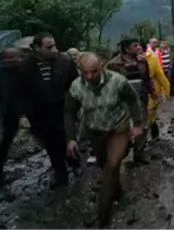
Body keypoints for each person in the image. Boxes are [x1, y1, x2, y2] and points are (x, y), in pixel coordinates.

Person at [64, 52, 143, 227]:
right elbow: (69, 113)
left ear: (101, 67)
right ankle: (118, 192)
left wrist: (137, 124)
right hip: (94, 131)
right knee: (103, 164)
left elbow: (133, 100)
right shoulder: (76, 87)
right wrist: (71, 139)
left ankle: (103, 214)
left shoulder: (117, 81)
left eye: (94, 71)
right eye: (85, 72)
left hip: (118, 129)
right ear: (79, 70)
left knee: (111, 166)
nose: (90, 76)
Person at [17, 32, 78, 189]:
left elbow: (76, 85)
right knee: (51, 144)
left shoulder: (65, 61)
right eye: (49, 47)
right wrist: (22, 114)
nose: (54, 49)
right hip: (39, 114)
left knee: (67, 138)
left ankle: (73, 161)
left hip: (63, 110)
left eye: (55, 45)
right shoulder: (24, 66)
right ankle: (60, 173)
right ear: (37, 48)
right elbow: (19, 92)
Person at [107, 37, 156, 165]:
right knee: (125, 127)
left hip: (141, 98)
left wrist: (153, 92)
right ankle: (125, 146)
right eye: (135, 45)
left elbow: (147, 79)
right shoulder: (113, 64)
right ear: (126, 49)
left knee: (143, 126)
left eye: (138, 45)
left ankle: (139, 154)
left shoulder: (142, 61)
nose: (139, 47)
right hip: (123, 102)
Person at [0, 48, 23, 184]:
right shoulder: (5, 74)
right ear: (7, 59)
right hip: (5, 117)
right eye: (17, 57)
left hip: (11, 116)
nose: (20, 60)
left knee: (5, 144)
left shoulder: (15, 71)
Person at [140, 41, 170, 141]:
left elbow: (160, 75)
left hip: (151, 91)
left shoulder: (152, 58)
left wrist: (167, 90)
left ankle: (148, 136)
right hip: (137, 92)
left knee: (149, 114)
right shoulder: (128, 60)